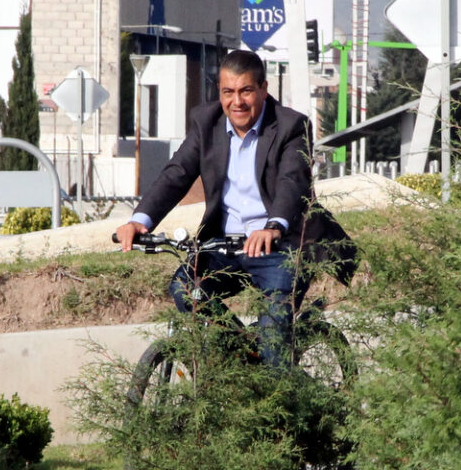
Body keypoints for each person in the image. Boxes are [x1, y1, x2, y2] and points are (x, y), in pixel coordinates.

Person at [114, 49, 356, 365]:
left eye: (246, 91)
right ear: (220, 92)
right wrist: (140, 220)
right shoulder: (207, 122)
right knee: (185, 288)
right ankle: (239, 355)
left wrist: (274, 226)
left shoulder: (290, 126)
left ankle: (276, 378)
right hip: (223, 247)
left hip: (280, 248)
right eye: (228, 92)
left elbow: (293, 182)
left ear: (263, 89)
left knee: (273, 348)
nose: (236, 101)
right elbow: (177, 173)